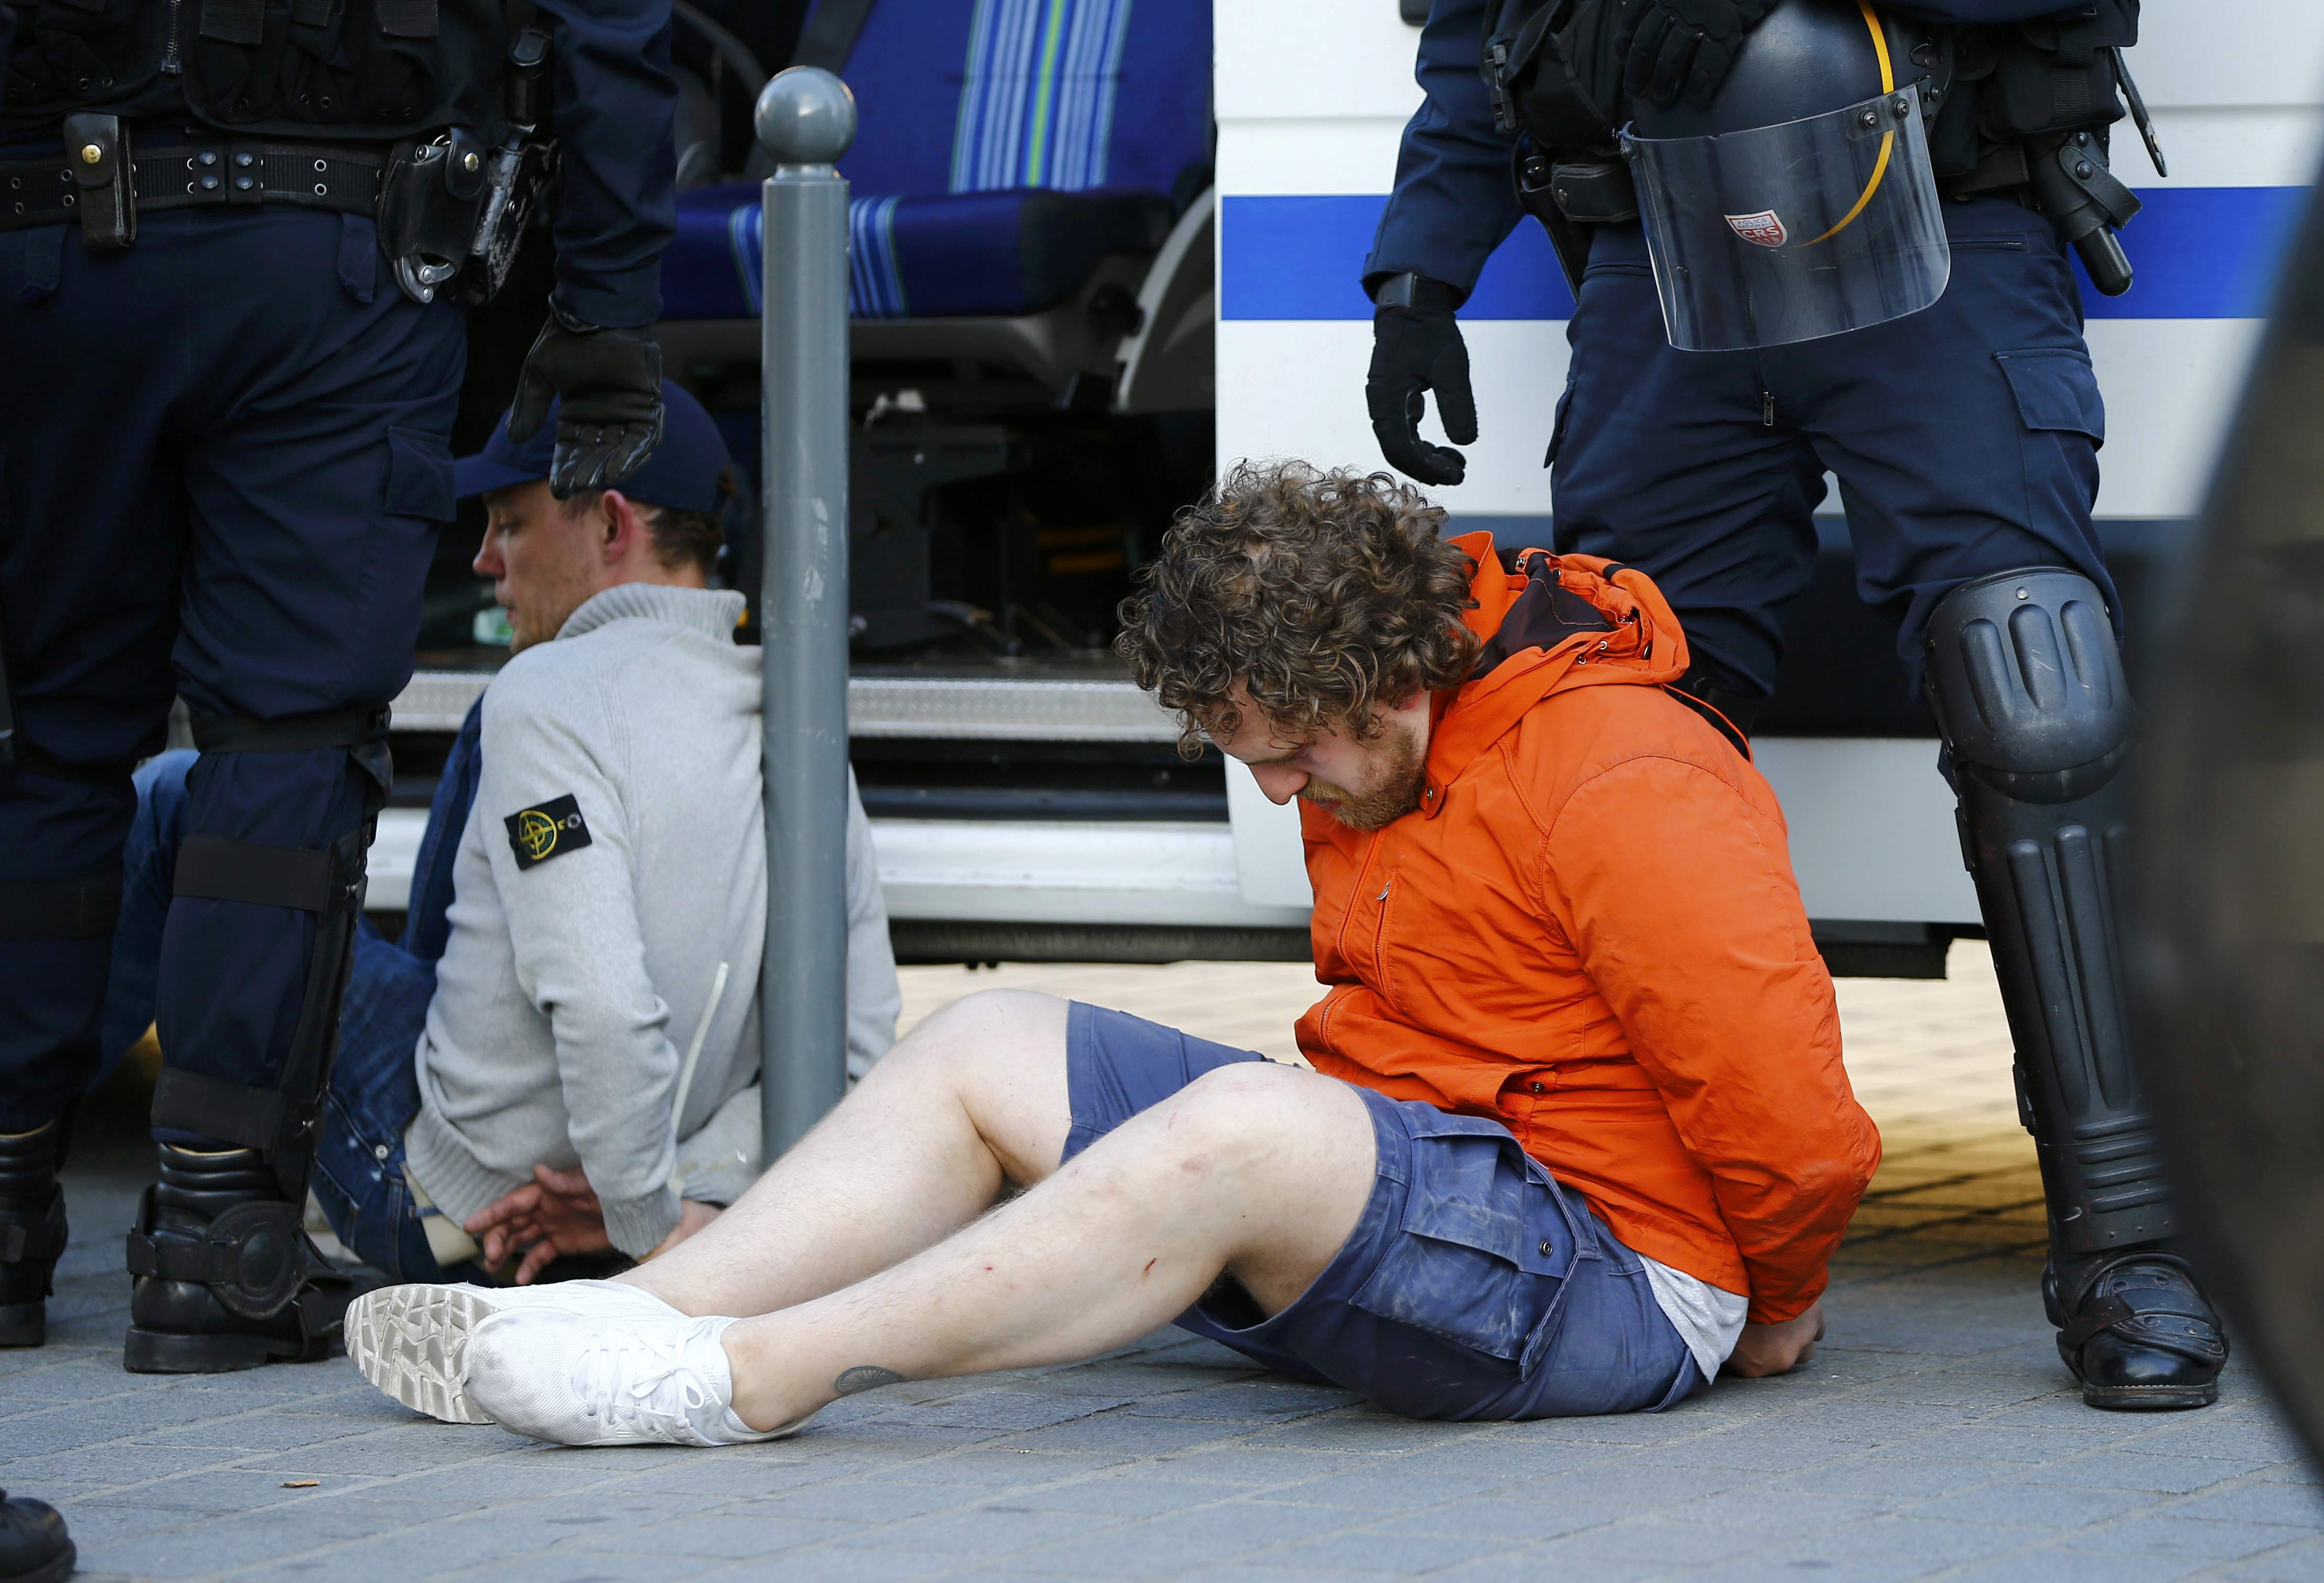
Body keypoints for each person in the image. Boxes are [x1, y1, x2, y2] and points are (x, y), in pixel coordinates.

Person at [344, 461, 1878, 1447]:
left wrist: (1778, 1303)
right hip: (1422, 1199)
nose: (1277, 795)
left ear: (1387, 678)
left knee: (1244, 1125)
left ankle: (736, 1381)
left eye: (1288, 756)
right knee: (986, 1042)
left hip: (1613, 1277)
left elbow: (1787, 1113)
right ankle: (634, 1311)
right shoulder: (1375, 739)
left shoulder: (1624, 772)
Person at [1362, 0, 2225, 1410]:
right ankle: (1639, 1236)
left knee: (2037, 695)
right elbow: (1480, 22)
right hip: (1658, 269)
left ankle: (2134, 1241)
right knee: (1614, 741)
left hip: (1947, 235)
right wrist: (1419, 273)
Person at [0, 0, 683, 1369]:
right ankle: (217, 1243)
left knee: (50, 735)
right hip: (334, 263)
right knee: (286, 738)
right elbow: (607, 8)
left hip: (44, 246)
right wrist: (607, 304)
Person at [100, 383, 902, 1301]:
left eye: (511, 525)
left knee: (175, 801)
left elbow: (604, 1002)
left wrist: (646, 1221)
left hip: (457, 1214)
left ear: (612, 525)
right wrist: (690, 1192)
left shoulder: (548, 699)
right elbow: (857, 1050)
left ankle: (32, 1147)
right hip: (623, 1194)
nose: (483, 559)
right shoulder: (797, 730)